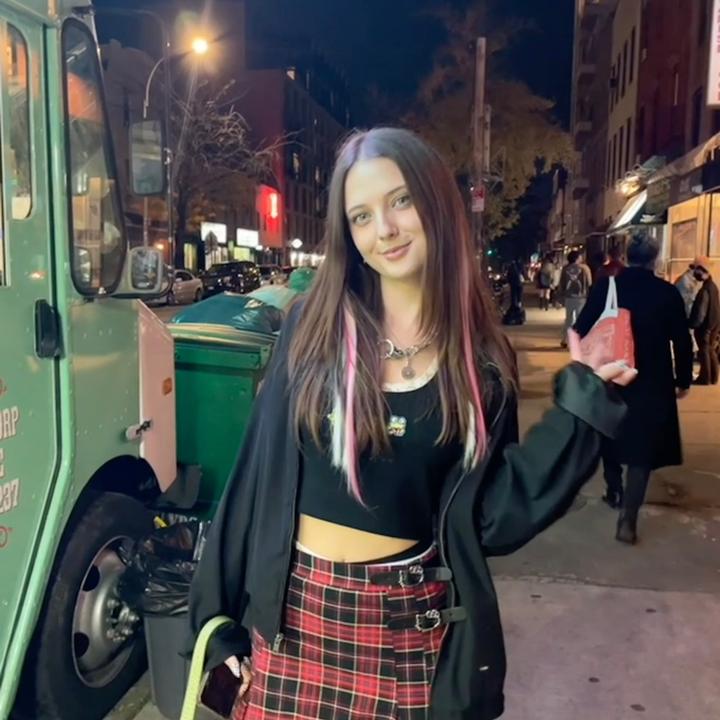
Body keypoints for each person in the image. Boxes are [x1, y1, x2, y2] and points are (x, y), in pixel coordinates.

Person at [186, 127, 634, 720]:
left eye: (400, 201)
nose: (385, 229)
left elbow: (490, 515)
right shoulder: (313, 330)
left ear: (434, 202)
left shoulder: (479, 362)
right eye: (361, 216)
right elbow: (254, 477)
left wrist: (580, 408)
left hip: (407, 634)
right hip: (292, 624)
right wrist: (217, 626)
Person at [575, 232, 692, 544]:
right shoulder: (667, 293)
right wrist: (683, 380)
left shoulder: (607, 287)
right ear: (654, 259)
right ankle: (628, 519)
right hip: (652, 380)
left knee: (610, 433)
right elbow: (681, 341)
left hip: (611, 376)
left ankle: (613, 489)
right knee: (642, 450)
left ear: (626, 257)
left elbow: (580, 328)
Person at [689, 256, 720, 385]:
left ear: (703, 270)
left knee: (704, 351)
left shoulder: (706, 289)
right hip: (714, 324)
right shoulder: (713, 287)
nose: (694, 273)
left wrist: (694, 324)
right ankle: (713, 377)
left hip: (705, 326)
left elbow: (701, 311)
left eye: (696, 269)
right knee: (710, 350)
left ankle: (705, 378)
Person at [558, 250, 591, 347]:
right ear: (577, 258)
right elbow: (589, 283)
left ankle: (565, 340)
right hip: (581, 297)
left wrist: (560, 297)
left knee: (568, 319)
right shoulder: (584, 268)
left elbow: (561, 283)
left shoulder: (565, 269)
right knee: (580, 319)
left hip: (568, 297)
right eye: (580, 257)